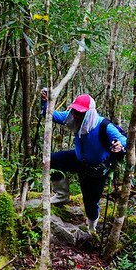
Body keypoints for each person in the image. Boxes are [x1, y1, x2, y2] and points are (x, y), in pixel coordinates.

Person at [40, 90, 126, 234]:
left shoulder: (103, 125)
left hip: (97, 169)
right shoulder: (72, 117)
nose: (76, 115)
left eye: (81, 113)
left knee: (90, 202)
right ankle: (61, 195)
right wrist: (45, 101)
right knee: (51, 160)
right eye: (75, 111)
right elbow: (49, 115)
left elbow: (123, 140)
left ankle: (92, 228)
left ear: (89, 113)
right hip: (78, 159)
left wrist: (120, 146)